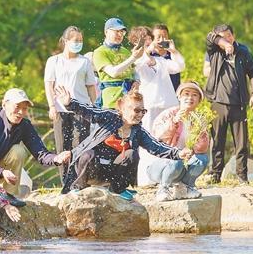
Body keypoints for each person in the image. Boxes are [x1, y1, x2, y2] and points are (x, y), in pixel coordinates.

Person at [55, 85, 193, 200]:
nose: (140, 114)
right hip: (93, 169)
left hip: (112, 173)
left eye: (143, 111)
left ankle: (118, 189)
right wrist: (70, 103)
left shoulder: (138, 131)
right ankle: (78, 187)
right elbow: (90, 112)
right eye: (136, 110)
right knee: (87, 154)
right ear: (123, 108)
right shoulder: (109, 117)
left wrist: (178, 153)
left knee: (132, 153)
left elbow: (156, 146)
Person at [0, 88, 72, 207]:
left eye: (25, 108)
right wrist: (0, 172)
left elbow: (40, 153)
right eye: (17, 107)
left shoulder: (25, 125)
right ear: (4, 104)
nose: (21, 112)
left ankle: (8, 195)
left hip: (2, 171)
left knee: (18, 151)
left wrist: (56, 158)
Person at [203, 24, 253, 184]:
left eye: (229, 35)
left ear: (233, 35)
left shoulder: (243, 51)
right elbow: (209, 36)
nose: (227, 38)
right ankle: (215, 175)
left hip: (239, 102)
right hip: (218, 102)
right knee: (217, 141)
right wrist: (223, 44)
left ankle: (242, 176)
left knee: (241, 144)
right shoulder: (214, 51)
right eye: (222, 36)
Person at [44, 26, 97, 179]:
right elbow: (49, 85)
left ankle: (79, 181)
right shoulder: (54, 61)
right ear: (66, 41)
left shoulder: (84, 61)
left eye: (81, 40)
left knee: (79, 145)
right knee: (62, 147)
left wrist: (94, 108)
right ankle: (65, 181)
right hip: (60, 109)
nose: (79, 43)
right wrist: (51, 106)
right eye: (75, 40)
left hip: (81, 109)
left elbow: (90, 87)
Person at [147, 81, 210, 201]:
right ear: (179, 97)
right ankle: (163, 188)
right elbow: (157, 137)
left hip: (183, 163)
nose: (190, 98)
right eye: (186, 94)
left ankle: (184, 187)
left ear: (199, 100)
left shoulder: (199, 119)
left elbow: (202, 148)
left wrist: (201, 132)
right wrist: (174, 121)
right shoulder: (168, 114)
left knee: (202, 159)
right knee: (177, 160)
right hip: (161, 164)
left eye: (194, 95)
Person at [129, 25, 185, 131]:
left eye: (150, 38)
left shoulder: (161, 61)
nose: (149, 41)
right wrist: (149, 49)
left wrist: (173, 51)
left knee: (168, 137)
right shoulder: (136, 59)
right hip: (150, 106)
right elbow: (139, 62)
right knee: (148, 136)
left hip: (169, 105)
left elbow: (179, 66)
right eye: (145, 39)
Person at [93, 17, 145, 108]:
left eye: (122, 32)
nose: (120, 34)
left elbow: (134, 72)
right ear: (106, 32)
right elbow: (113, 72)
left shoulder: (125, 51)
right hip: (111, 101)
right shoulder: (99, 52)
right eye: (116, 31)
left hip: (129, 102)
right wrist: (133, 57)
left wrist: (137, 81)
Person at [150, 24, 182, 90]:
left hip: (172, 96)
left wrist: (174, 51)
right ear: (152, 39)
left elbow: (181, 67)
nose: (162, 40)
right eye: (158, 37)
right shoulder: (148, 56)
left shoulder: (174, 55)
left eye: (164, 37)